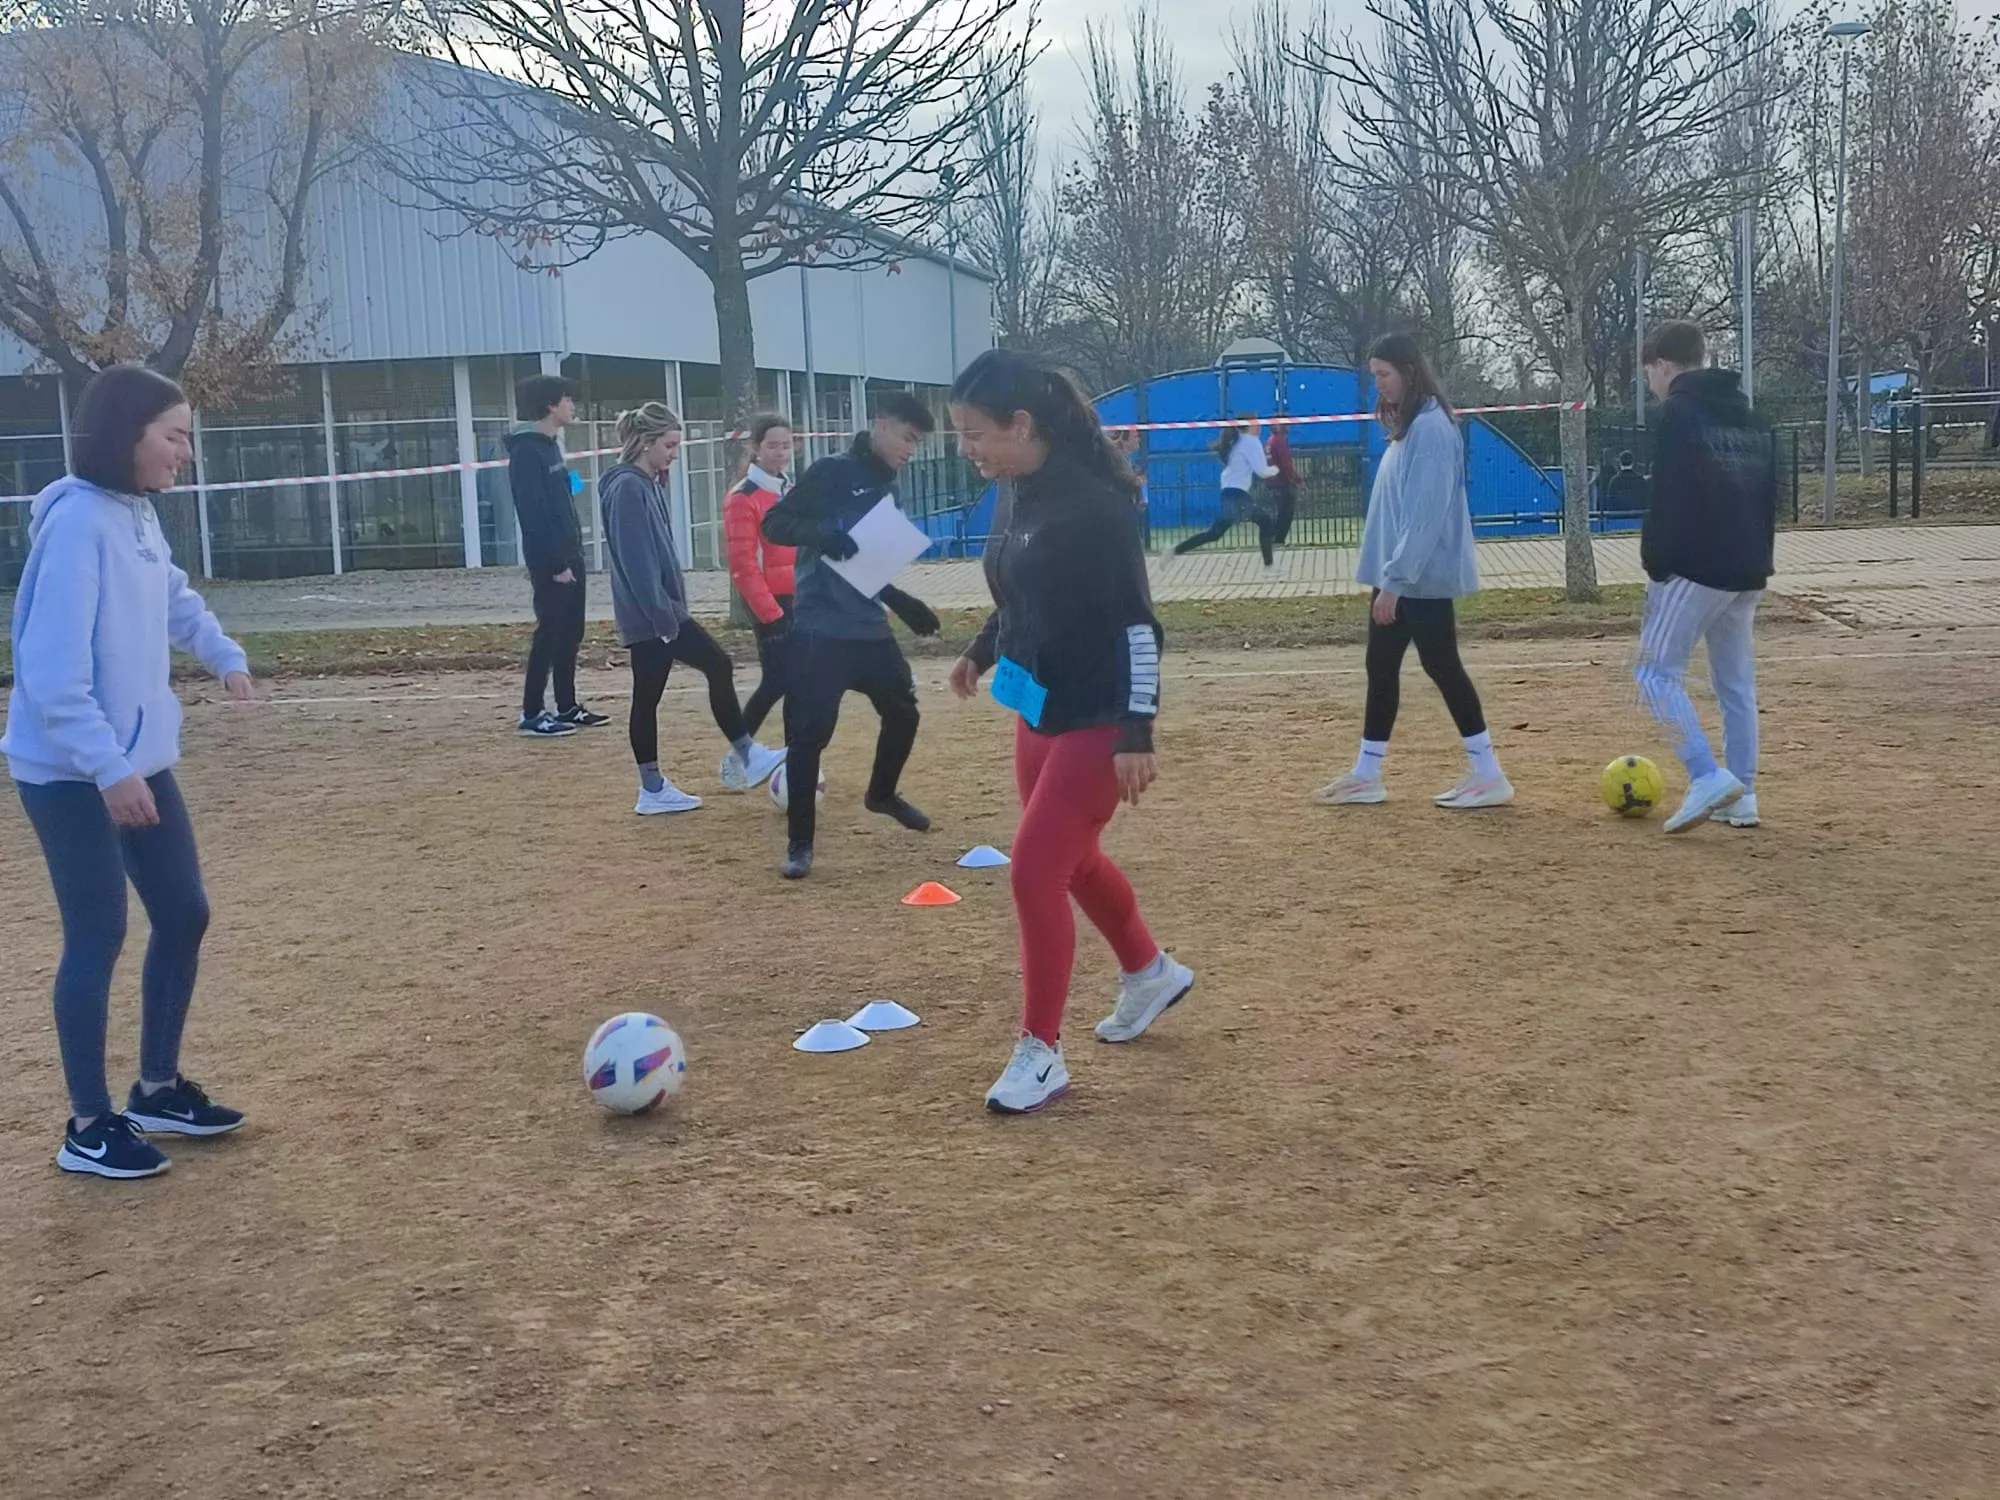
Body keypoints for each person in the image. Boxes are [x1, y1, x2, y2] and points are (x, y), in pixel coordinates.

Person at [4, 364, 255, 1179]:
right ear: (127, 437)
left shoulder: (136, 514)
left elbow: (174, 595)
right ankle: (87, 1125)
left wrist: (223, 656)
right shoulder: (77, 526)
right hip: (71, 771)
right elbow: (48, 674)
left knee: (184, 912)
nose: (187, 453)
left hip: (133, 760)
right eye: (175, 436)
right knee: (100, 932)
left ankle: (156, 1088)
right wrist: (108, 770)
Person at [948, 349, 1194, 1115]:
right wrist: (982, 650)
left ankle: (1041, 1052)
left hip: (1098, 718)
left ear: (1022, 424)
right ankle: (1149, 971)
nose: (967, 449)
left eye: (975, 432)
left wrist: (1138, 731)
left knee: (1032, 872)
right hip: (1039, 709)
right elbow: (1022, 592)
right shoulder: (1016, 490)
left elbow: (1139, 628)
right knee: (1073, 860)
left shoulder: (1096, 509)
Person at [1314, 332, 1512, 810]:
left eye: (1383, 374)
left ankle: (1488, 773)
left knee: (1442, 665)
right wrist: (1390, 579)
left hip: (1418, 578)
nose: (1378, 385)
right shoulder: (1414, 426)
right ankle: (1367, 773)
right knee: (1381, 667)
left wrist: (1396, 583)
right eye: (1374, 375)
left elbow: (1423, 516)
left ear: (1408, 371)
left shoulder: (1431, 430)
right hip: (1400, 576)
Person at [761, 392, 944, 880]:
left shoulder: (889, 486)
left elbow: (869, 563)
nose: (912, 449)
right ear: (882, 426)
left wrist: (902, 604)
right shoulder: (831, 472)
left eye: (918, 442)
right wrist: (823, 532)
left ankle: (881, 794)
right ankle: (800, 845)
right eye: (907, 438)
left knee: (903, 711)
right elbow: (774, 523)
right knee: (810, 736)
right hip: (820, 627)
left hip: (867, 626)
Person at [600, 402, 785, 814]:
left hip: (655, 612)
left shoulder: (644, 483)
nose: (674, 454)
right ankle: (747, 756)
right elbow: (636, 563)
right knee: (716, 664)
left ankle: (653, 788)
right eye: (669, 445)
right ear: (645, 443)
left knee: (647, 696)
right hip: (654, 615)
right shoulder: (628, 487)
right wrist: (664, 619)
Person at [1632, 319, 1777, 833]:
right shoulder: (1751, 414)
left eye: (1649, 371)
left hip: (1696, 564)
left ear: (1663, 365)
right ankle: (1744, 792)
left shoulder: (1677, 411)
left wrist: (1656, 561)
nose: (1650, 382)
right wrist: (1761, 557)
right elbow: (1769, 493)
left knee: (1652, 674)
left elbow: (1669, 493)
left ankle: (1705, 775)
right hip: (1747, 565)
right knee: (1735, 684)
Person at [510, 374, 607, 738]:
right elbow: (533, 513)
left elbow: (562, 494)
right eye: (567, 399)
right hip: (550, 558)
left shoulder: (551, 445)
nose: (572, 405)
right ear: (550, 404)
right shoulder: (526, 450)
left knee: (571, 632)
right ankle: (532, 713)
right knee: (549, 633)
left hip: (570, 550)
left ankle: (567, 706)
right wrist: (556, 564)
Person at [723, 414, 798, 788]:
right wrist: (770, 612)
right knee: (777, 681)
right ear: (755, 448)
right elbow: (742, 565)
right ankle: (741, 753)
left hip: (798, 598)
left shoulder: (788, 489)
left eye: (786, 445)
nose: (781, 453)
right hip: (771, 603)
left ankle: (795, 757)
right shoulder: (743, 497)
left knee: (797, 681)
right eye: (772, 445)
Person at [1172, 415, 1279, 564]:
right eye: (1257, 424)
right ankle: (1269, 567)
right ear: (1248, 426)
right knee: (1265, 520)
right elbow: (1261, 470)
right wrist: (1276, 469)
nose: (1260, 427)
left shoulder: (1238, 441)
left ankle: (1174, 551)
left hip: (1230, 492)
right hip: (1236, 494)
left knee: (1215, 533)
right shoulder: (1250, 441)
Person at [1265, 422, 1299, 545]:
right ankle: (1277, 540)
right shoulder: (1279, 441)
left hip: (1272, 481)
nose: (1289, 426)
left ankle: (1273, 539)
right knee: (1285, 513)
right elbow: (1286, 465)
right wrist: (1297, 480)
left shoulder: (1270, 441)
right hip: (1281, 481)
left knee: (1278, 512)